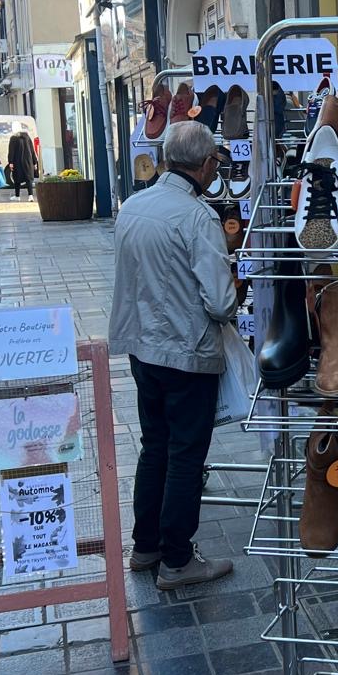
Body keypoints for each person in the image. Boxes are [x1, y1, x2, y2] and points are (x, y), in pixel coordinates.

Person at [108, 119, 238, 589]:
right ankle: (178, 560)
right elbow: (221, 303)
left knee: (155, 447)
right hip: (185, 350)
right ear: (205, 164)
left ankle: (146, 547)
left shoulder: (133, 206)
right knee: (186, 455)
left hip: (141, 346)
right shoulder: (196, 215)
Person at [7, 128, 38, 199]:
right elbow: (32, 150)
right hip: (28, 161)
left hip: (17, 161)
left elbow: (11, 151)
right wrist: (34, 162)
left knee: (17, 178)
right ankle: (30, 196)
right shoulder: (27, 137)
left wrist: (10, 162)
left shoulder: (13, 138)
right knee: (28, 179)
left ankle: (17, 196)